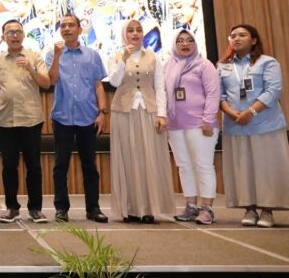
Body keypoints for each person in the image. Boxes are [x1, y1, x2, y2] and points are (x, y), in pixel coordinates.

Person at [218, 24, 289, 228]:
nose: (236, 39)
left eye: (242, 35)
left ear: (254, 40)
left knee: (266, 168)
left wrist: (251, 112)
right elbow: (219, 95)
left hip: (264, 124)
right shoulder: (223, 66)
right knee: (243, 169)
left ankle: (267, 211)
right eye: (233, 36)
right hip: (235, 124)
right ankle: (249, 208)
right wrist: (232, 113)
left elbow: (273, 91)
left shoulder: (268, 63)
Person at [108, 19, 173, 224]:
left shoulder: (153, 56)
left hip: (148, 112)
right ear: (123, 34)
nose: (135, 34)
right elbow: (114, 82)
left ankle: (148, 208)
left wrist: (161, 114)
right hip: (123, 113)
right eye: (130, 30)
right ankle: (130, 208)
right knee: (128, 159)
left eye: (138, 30)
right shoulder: (115, 56)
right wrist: (123, 60)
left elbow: (160, 87)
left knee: (148, 159)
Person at [46, 13, 108, 223]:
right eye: (63, 26)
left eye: (71, 25)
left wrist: (102, 112)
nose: (67, 29)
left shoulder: (92, 55)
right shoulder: (53, 53)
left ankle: (93, 208)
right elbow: (51, 81)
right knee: (60, 165)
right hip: (62, 117)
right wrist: (56, 56)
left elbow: (98, 85)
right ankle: (61, 208)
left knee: (89, 166)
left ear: (80, 30)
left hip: (88, 117)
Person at [0, 19, 51, 224]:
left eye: (18, 32)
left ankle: (35, 208)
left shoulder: (34, 56)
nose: (15, 35)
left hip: (31, 119)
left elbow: (46, 83)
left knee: (33, 166)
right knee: (9, 167)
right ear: (3, 37)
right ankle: (12, 208)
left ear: (23, 35)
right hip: (6, 120)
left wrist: (32, 69)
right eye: (10, 32)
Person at [164, 29, 220, 225]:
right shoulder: (168, 66)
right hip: (175, 125)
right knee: (184, 166)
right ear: (175, 44)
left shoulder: (205, 65)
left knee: (203, 165)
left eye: (189, 40)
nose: (185, 44)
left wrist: (208, 119)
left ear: (195, 44)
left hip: (200, 124)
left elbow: (213, 94)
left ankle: (207, 208)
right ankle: (190, 206)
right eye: (180, 41)